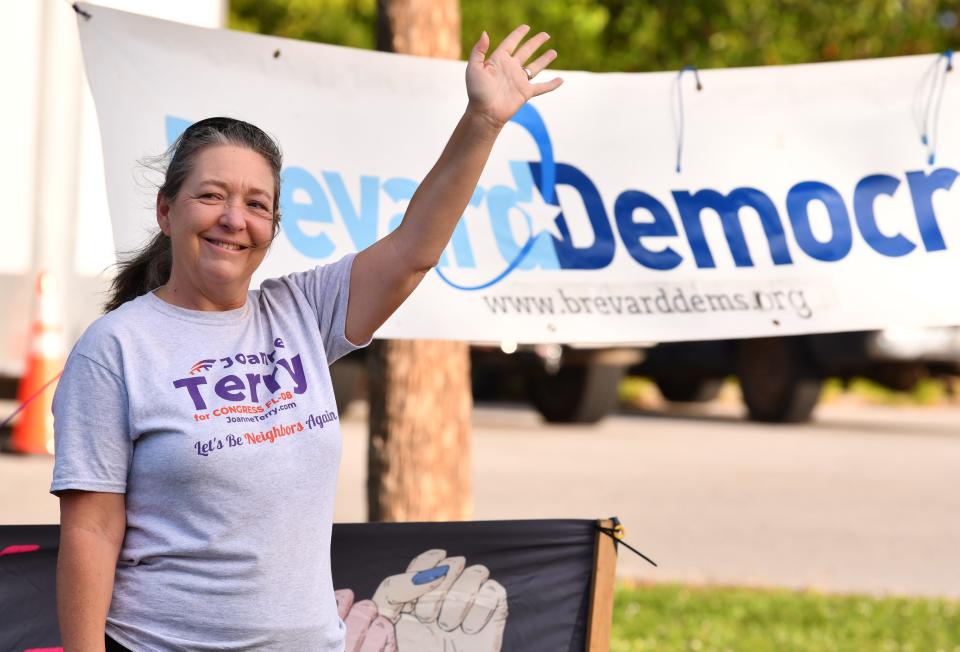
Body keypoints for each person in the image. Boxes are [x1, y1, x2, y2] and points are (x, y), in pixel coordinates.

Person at [51, 25, 561, 652]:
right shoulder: (115, 349)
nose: (234, 219)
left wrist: (482, 122)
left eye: (256, 204)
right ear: (166, 211)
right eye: (211, 195)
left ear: (272, 225)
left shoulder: (301, 311)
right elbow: (91, 532)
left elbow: (411, 252)